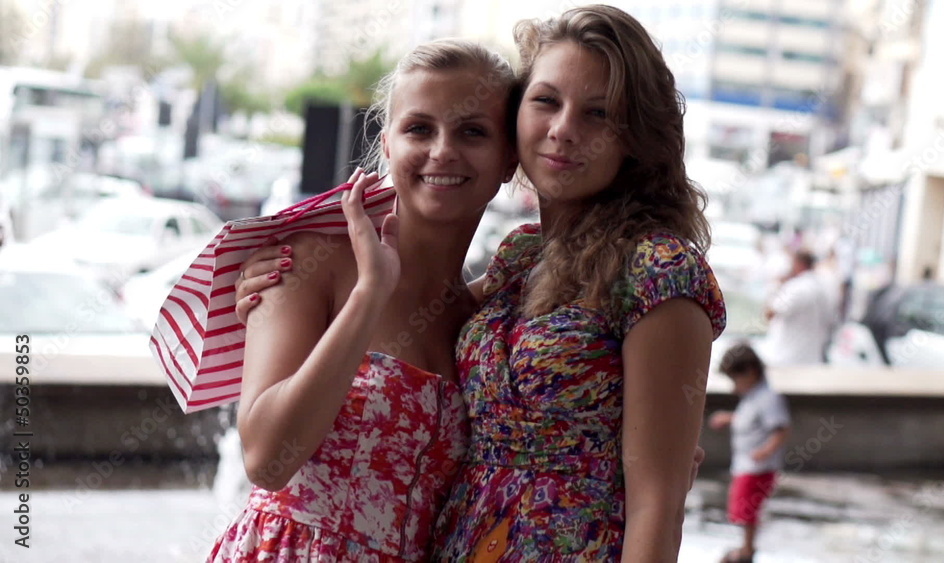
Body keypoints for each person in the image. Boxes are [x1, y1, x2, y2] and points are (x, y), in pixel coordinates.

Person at [236, 5, 725, 560]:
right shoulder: (516, 265)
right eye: (547, 101)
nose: (564, 130)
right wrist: (297, 289)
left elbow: (657, 504)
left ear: (635, 135)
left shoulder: (658, 270)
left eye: (599, 112)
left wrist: (664, 453)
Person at [208, 39, 520, 561]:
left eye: (472, 131)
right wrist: (369, 293)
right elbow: (266, 460)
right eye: (419, 128)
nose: (443, 150)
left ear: (509, 159)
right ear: (388, 144)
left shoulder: (480, 321)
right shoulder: (308, 262)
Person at [709, 343, 790, 563]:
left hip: (757, 467)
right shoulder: (753, 397)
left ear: (750, 372)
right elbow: (750, 420)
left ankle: (747, 549)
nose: (734, 387)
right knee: (742, 507)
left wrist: (765, 451)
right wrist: (729, 418)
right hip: (746, 464)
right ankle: (746, 547)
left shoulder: (768, 397)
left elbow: (781, 428)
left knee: (747, 508)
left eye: (735, 379)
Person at [759, 249, 835, 366]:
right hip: (812, 358)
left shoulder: (796, 288)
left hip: (787, 358)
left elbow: (769, 314)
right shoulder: (823, 288)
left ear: (799, 264)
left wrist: (777, 286)